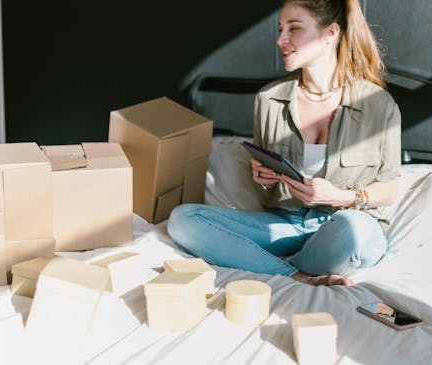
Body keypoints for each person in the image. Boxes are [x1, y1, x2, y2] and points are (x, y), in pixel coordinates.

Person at [168, 0, 401, 286]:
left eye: (294, 28)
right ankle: (295, 275)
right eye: (280, 29)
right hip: (287, 224)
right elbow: (268, 180)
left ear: (330, 33)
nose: (281, 40)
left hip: (345, 224)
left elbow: (390, 189)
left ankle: (267, 263)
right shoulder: (269, 99)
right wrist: (262, 177)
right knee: (183, 219)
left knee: (353, 231)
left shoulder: (377, 104)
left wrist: (339, 197)